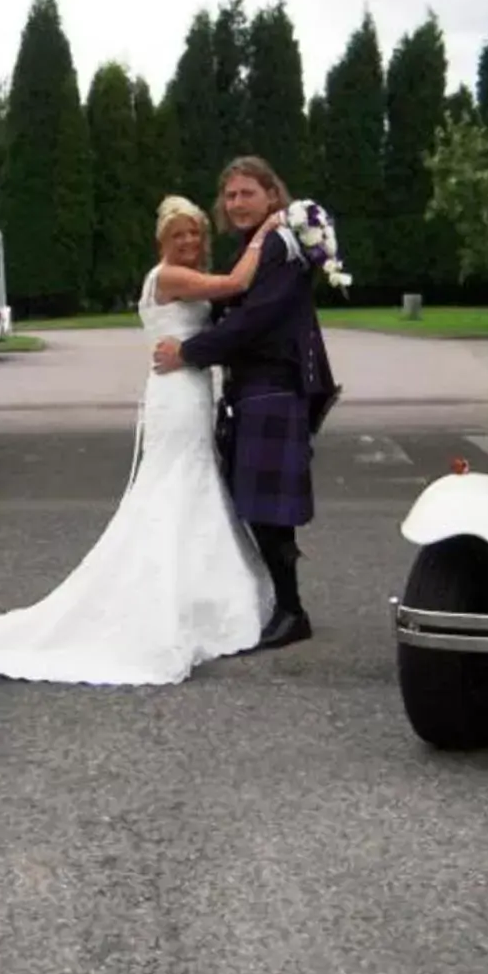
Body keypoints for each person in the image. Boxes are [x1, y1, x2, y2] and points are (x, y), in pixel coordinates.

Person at [0, 195, 279, 685]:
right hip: (177, 393)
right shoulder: (169, 277)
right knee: (173, 485)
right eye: (180, 234)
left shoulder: (179, 276)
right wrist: (268, 232)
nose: (190, 241)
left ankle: (199, 596)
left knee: (192, 482)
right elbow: (238, 283)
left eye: (196, 232)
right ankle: (165, 601)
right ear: (162, 242)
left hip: (191, 388)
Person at [153, 156, 337, 649]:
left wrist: (189, 351)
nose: (236, 204)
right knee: (257, 505)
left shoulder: (280, 243)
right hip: (253, 389)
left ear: (271, 196)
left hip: (273, 386)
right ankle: (282, 604)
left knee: (267, 509)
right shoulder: (262, 244)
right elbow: (233, 301)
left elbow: (255, 318)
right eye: (230, 196)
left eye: (246, 194)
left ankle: (292, 611)